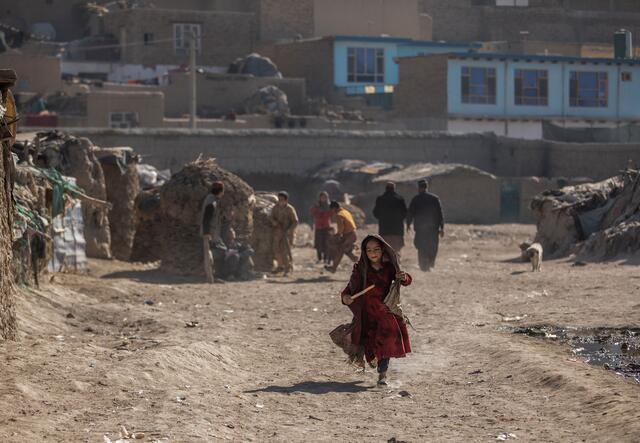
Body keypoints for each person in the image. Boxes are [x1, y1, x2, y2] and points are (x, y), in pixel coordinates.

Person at [340, 235, 412, 385]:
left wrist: (404, 277)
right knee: (371, 344)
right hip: (367, 313)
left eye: (376, 250)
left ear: (383, 250)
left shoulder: (389, 267)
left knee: (386, 342)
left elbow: (405, 281)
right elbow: (350, 288)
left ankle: (382, 375)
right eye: (369, 250)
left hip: (385, 311)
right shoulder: (360, 268)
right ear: (365, 252)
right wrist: (345, 297)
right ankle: (376, 361)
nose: (373, 253)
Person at [407, 179, 444, 271]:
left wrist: (408, 224)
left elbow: (410, 213)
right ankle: (430, 264)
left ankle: (424, 266)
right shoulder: (435, 198)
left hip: (421, 229)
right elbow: (440, 214)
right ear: (426, 187)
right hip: (433, 228)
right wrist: (442, 227)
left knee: (421, 247)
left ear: (419, 188)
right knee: (432, 247)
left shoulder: (416, 199)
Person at [201, 181, 226, 283]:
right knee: (221, 250)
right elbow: (207, 218)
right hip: (210, 232)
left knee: (219, 250)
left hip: (211, 232)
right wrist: (207, 233)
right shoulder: (212, 202)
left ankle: (213, 276)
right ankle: (211, 276)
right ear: (220, 191)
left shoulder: (211, 199)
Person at [372, 181, 408, 254]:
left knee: (385, 249)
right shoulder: (400, 199)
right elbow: (405, 213)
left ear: (386, 189)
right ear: (394, 189)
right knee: (396, 249)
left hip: (384, 229)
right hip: (397, 230)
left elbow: (375, 213)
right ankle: (397, 263)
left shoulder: (380, 199)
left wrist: (382, 219)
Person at [270, 191, 298, 275]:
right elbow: (271, 217)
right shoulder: (275, 208)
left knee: (285, 251)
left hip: (287, 233)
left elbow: (295, 221)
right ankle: (280, 266)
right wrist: (274, 222)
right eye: (279, 199)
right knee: (276, 250)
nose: (280, 201)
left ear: (286, 200)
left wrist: (289, 230)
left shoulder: (290, 209)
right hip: (278, 233)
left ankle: (288, 268)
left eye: (282, 199)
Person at [325, 201, 358, 273]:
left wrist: (336, 236)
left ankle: (333, 268)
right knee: (347, 251)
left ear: (334, 208)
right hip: (352, 234)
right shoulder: (345, 211)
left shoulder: (339, 215)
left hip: (349, 236)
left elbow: (340, 228)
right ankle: (361, 263)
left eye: (331, 210)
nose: (332, 212)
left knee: (340, 250)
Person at [309, 191, 332, 263]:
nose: (323, 199)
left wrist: (323, 214)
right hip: (318, 226)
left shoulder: (329, 206)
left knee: (326, 243)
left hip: (326, 226)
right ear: (319, 198)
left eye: (325, 197)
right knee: (318, 243)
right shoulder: (316, 205)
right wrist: (318, 211)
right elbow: (312, 212)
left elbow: (331, 214)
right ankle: (319, 258)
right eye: (322, 197)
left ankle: (325, 258)